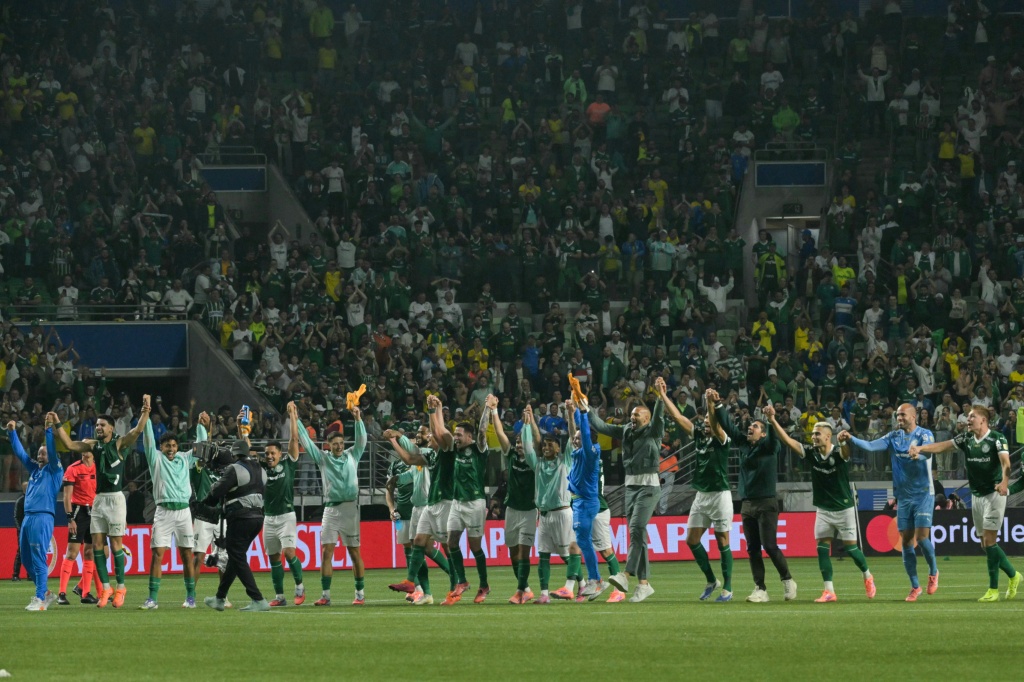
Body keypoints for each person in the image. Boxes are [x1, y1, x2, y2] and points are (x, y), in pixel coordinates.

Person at [910, 405, 1021, 602]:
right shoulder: (967, 438)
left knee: (989, 541)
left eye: (972, 416)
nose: (968, 420)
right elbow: (943, 445)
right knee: (985, 545)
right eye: (968, 417)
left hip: (994, 494)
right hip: (976, 495)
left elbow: (1006, 462)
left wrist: (1004, 482)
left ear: (983, 420)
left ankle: (993, 589)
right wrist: (921, 448)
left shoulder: (997, 438)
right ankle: (1014, 575)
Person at [50, 397, 151, 608]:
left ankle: (121, 587)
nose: (98, 427)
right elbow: (68, 444)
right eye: (96, 424)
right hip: (99, 500)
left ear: (112, 429)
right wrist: (57, 422)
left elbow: (137, 431)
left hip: (115, 499)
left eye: (102, 425)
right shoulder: (92, 446)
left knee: (115, 546)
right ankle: (106, 588)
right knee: (96, 546)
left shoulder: (120, 444)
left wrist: (145, 411)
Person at [767, 411, 876, 602]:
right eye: (813, 434)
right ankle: (829, 591)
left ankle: (867, 576)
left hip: (844, 509)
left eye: (817, 434)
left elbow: (845, 453)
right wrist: (773, 420)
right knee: (822, 549)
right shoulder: (811, 453)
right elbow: (788, 442)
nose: (813, 436)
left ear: (828, 436)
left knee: (851, 549)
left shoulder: (838, 452)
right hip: (824, 509)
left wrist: (843, 441)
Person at [842, 403, 938, 601]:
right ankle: (915, 586)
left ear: (913, 416)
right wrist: (851, 438)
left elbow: (929, 453)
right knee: (905, 542)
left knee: (921, 538)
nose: (899, 418)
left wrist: (918, 454)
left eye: (902, 415)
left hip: (923, 493)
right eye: (897, 415)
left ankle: (933, 571)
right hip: (903, 495)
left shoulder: (924, 434)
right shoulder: (894, 437)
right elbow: (870, 446)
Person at [588, 380, 665, 602]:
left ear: (647, 419)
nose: (632, 417)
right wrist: (586, 409)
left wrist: (660, 397)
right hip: (630, 487)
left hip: (649, 487)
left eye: (637, 415)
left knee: (637, 528)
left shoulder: (654, 431)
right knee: (638, 535)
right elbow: (602, 426)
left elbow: (659, 415)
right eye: (631, 415)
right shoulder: (625, 431)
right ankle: (644, 584)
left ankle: (626, 574)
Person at [715, 402, 796, 602]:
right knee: (752, 549)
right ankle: (760, 588)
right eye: (751, 425)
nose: (751, 427)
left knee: (769, 545)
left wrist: (771, 420)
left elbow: (774, 437)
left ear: (764, 433)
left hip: (767, 503)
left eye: (756, 427)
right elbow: (728, 425)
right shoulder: (745, 445)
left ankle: (787, 579)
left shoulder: (770, 446)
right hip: (747, 504)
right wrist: (717, 404)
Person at [662, 386, 736, 602]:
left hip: (720, 496)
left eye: (708, 424)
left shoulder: (723, 440)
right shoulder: (701, 438)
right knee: (691, 540)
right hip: (702, 496)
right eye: (703, 424)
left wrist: (710, 403)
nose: (705, 426)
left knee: (722, 540)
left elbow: (714, 423)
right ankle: (712, 580)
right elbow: (677, 417)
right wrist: (663, 394)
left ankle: (728, 588)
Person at [295, 401, 367, 605]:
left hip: (350, 509)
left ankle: (359, 594)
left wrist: (358, 419)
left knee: (354, 552)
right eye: (335, 443)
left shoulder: (353, 455)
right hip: (331, 510)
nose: (339, 446)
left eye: (341, 443)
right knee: (327, 551)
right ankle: (325, 595)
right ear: (329, 444)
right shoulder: (323, 458)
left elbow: (362, 440)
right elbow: (306, 442)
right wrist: (297, 420)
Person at [139, 409, 211, 609]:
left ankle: (190, 598)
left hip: (183, 513)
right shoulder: (156, 459)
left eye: (173, 445)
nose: (170, 448)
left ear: (177, 446)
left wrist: (200, 426)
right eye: (166, 445)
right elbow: (147, 439)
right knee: (157, 554)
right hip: (163, 512)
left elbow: (202, 446)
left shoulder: (184, 459)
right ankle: (152, 599)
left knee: (187, 555)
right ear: (160, 447)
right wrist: (145, 416)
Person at [428, 394, 491, 605]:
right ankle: (462, 581)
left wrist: (489, 409)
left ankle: (484, 585)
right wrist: (433, 409)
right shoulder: (453, 450)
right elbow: (439, 432)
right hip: (456, 502)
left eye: (460, 435)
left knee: (475, 547)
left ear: (469, 438)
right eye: (455, 434)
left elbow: (482, 431)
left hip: (475, 503)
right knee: (451, 541)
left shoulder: (478, 449)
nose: (456, 437)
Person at [521, 403, 583, 603]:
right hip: (544, 516)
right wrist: (527, 424)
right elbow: (528, 445)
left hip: (562, 513)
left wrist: (571, 415)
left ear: (558, 448)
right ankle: (545, 595)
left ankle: (582, 585)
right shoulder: (537, 464)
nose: (546, 447)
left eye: (550, 444)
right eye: (544, 445)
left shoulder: (565, 462)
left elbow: (574, 439)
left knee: (566, 555)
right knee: (543, 554)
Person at [385, 425, 453, 606]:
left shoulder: (430, 454)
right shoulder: (421, 459)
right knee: (421, 548)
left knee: (436, 547)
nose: (419, 435)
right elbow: (412, 474)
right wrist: (398, 479)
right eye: (417, 433)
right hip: (417, 509)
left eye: (422, 432)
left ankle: (455, 581)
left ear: (432, 436)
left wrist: (397, 437)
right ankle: (426, 592)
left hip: (432, 506)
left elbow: (410, 453)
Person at [200, 438, 270, 611]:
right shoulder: (261, 469)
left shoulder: (234, 468)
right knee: (235, 556)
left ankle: (258, 599)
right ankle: (219, 598)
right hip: (258, 518)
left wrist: (204, 502)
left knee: (237, 556)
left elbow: (216, 492)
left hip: (240, 518)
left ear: (233, 454)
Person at [9, 417, 63, 610]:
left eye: (44, 453)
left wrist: (49, 430)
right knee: (25, 558)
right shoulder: (35, 471)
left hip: (42, 517)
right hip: (28, 517)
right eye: (39, 453)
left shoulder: (55, 470)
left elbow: (51, 448)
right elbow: (21, 455)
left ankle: (40, 599)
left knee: (39, 557)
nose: (40, 455)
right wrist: (11, 432)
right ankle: (46, 593)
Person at [566, 379, 607, 600]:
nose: (575, 439)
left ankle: (595, 579)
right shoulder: (579, 452)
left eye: (579, 438)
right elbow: (577, 433)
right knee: (583, 541)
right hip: (580, 501)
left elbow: (584, 433)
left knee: (583, 541)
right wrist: (572, 411)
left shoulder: (590, 453)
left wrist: (583, 411)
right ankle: (595, 579)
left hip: (585, 501)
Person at [262, 404, 305, 607]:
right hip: (269, 518)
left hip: (286, 515)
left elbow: (294, 440)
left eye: (273, 453)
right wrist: (241, 428)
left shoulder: (289, 464)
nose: (269, 456)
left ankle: (299, 587)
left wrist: (293, 417)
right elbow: (244, 451)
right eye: (267, 454)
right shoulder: (262, 469)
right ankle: (279, 597)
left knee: (289, 553)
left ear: (280, 454)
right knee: (273, 558)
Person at [500, 408, 538, 605]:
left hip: (529, 512)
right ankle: (527, 589)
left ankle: (518, 591)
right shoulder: (512, 456)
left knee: (524, 552)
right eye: (518, 442)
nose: (519, 445)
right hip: (512, 511)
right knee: (513, 554)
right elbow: (500, 436)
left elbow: (535, 441)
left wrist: (529, 423)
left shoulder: (534, 461)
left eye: (523, 442)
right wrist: (492, 414)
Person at [58, 447, 101, 604]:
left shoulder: (99, 467)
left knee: (90, 553)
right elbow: (67, 496)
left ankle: (86, 593)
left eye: (87, 448)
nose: (84, 451)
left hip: (95, 513)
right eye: (82, 448)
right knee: (72, 552)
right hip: (78, 512)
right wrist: (70, 518)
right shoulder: (73, 469)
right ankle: (61, 594)